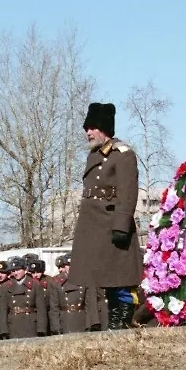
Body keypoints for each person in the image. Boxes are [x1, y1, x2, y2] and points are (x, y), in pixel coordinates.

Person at [68, 102, 142, 329]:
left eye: (92, 127)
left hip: (113, 224)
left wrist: (121, 225)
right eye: (86, 128)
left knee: (120, 277)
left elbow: (128, 192)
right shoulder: (93, 155)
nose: (88, 132)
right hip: (94, 226)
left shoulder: (123, 154)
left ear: (104, 128)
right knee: (106, 278)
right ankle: (114, 322)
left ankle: (122, 322)